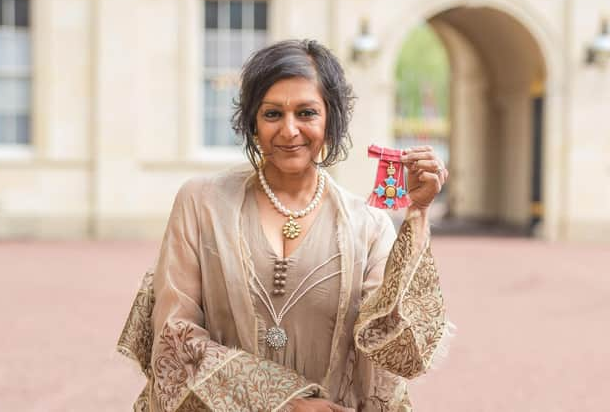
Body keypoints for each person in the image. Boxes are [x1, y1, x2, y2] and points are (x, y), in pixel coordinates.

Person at [117, 39, 450, 412]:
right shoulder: (201, 203)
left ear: (330, 120)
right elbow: (173, 339)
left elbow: (397, 348)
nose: (289, 130)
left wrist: (418, 214)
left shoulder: (367, 226)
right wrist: (289, 404)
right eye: (273, 114)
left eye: (306, 113)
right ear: (253, 124)